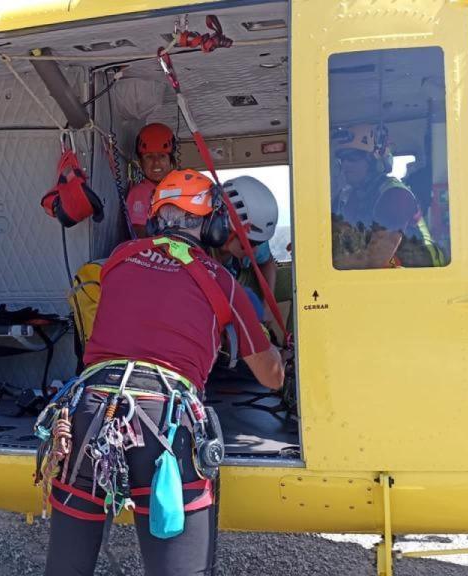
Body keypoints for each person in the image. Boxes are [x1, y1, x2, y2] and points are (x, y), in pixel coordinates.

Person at [39, 169, 284, 576]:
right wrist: (273, 348)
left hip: (88, 413)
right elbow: (270, 377)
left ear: (155, 219)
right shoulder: (221, 282)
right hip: (166, 423)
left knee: (66, 568)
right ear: (216, 223)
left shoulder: (118, 259)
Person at [331, 123, 444, 269]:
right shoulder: (351, 196)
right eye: (342, 159)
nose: (345, 165)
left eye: (353, 157)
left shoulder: (395, 195)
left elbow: (376, 259)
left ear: (373, 161)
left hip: (422, 276)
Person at [213, 176, 280, 316]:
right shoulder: (198, 249)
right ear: (226, 228)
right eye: (249, 243)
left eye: (258, 243)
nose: (253, 250)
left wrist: (268, 305)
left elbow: (267, 263)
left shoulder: (254, 233)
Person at [125, 122, 177, 238]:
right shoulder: (140, 192)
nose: (156, 162)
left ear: (171, 160)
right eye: (149, 157)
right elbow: (138, 234)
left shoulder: (181, 189)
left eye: (162, 156)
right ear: (141, 162)